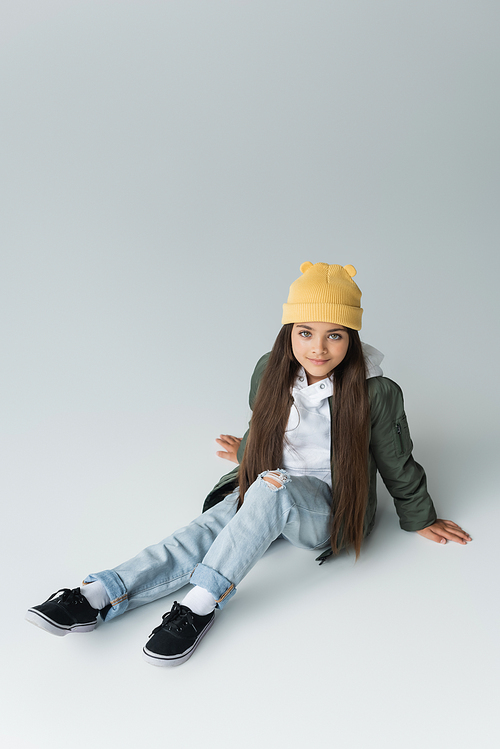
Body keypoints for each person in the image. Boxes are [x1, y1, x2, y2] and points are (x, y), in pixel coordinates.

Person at [26, 262, 471, 666]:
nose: (318, 348)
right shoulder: (270, 370)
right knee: (202, 531)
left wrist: (419, 517)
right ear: (288, 332)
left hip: (328, 509)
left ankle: (199, 604)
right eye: (305, 332)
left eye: (334, 334)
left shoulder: (376, 391)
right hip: (267, 483)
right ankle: (98, 593)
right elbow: (268, 433)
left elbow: (396, 459)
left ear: (351, 337)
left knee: (268, 488)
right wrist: (245, 451)